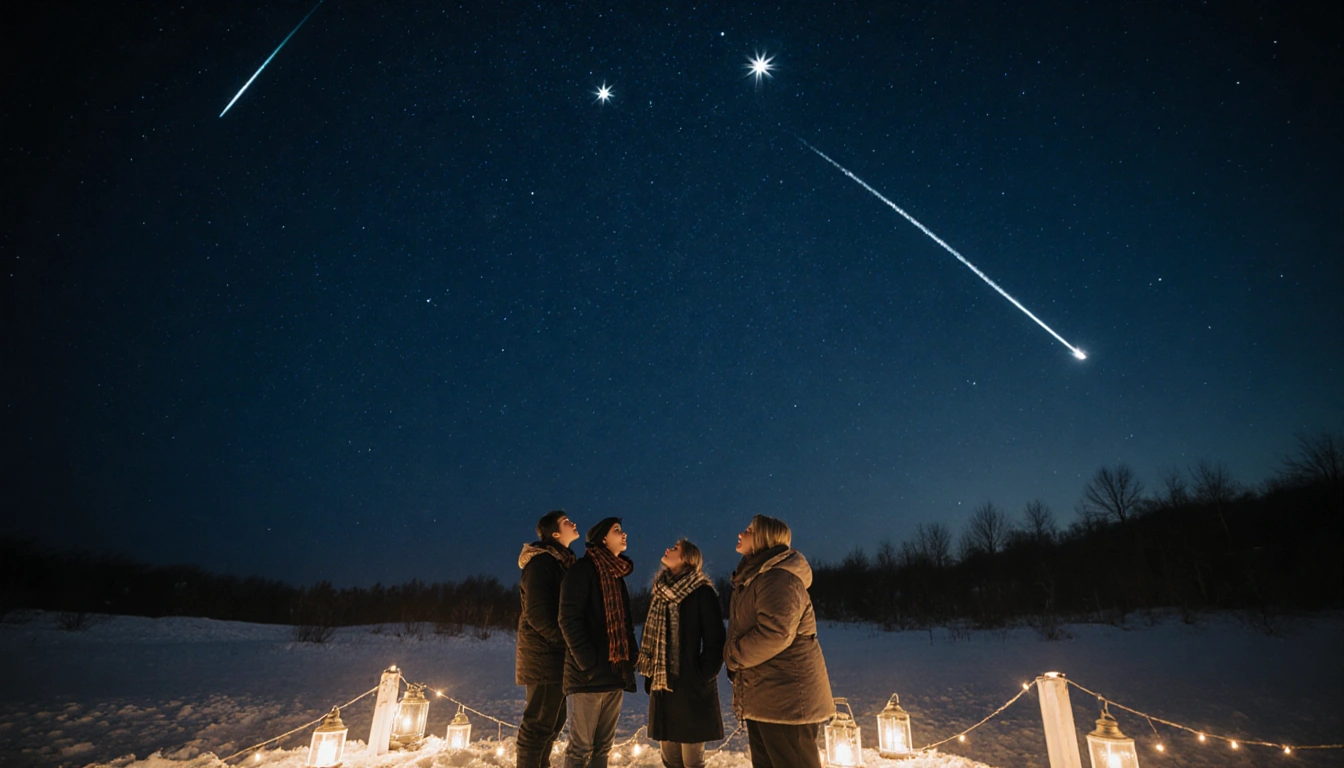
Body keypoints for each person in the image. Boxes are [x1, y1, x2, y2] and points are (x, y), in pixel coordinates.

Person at [724, 514, 834, 768]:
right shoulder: (756, 578)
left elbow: (776, 633)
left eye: (749, 530)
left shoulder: (778, 578)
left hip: (787, 700)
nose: (741, 533)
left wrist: (733, 656)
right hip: (767, 697)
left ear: (765, 537)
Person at [636, 538, 725, 768]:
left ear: (687, 558)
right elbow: (653, 638)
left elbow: (715, 639)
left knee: (692, 761)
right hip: (664, 688)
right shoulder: (660, 592)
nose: (667, 549)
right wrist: (651, 675)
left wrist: (702, 674)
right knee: (670, 760)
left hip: (691, 689)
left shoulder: (702, 592)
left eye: (675, 548)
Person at [559, 517, 638, 768]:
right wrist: (588, 664)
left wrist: (631, 657)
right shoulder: (583, 570)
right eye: (617, 531)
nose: (624, 534)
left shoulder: (616, 575)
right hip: (588, 677)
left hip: (614, 672)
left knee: (603, 747)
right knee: (580, 749)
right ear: (603, 538)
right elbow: (568, 618)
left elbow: (625, 622)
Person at [515, 510, 581, 768]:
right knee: (539, 724)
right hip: (543, 657)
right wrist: (569, 642)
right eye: (566, 522)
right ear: (555, 534)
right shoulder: (541, 564)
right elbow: (538, 614)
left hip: (556, 656)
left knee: (554, 721)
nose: (573, 523)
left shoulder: (561, 563)